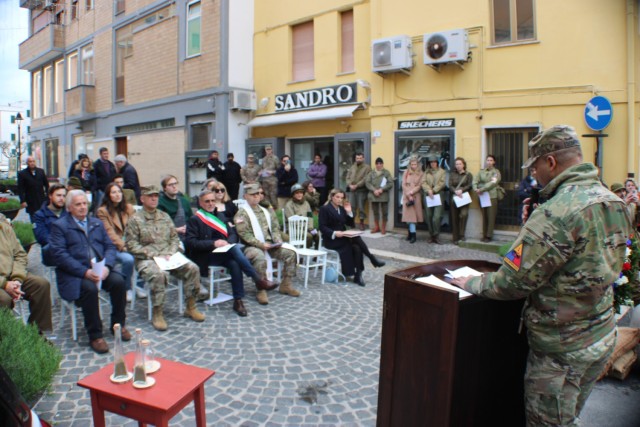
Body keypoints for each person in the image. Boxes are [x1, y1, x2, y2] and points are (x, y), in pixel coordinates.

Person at [453, 125, 633, 426]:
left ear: (550, 162)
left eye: (534, 166)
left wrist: (471, 282)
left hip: (561, 352)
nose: (533, 174)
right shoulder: (613, 200)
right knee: (570, 415)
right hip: (601, 335)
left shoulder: (555, 213)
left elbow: (512, 281)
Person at [49, 190, 129, 354]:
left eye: (85, 203)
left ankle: (118, 325)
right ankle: (95, 335)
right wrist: (84, 272)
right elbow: (60, 256)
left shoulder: (96, 223)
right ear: (69, 207)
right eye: (78, 204)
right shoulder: (60, 226)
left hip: (100, 269)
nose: (82, 207)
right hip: (76, 274)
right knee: (89, 289)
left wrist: (107, 266)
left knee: (119, 282)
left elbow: (110, 247)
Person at [185, 189, 277, 317]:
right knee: (234, 250)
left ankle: (238, 301)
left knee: (234, 263)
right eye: (207, 201)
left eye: (213, 200)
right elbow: (190, 243)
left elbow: (233, 233)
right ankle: (258, 279)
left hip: (224, 252)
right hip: (206, 256)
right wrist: (213, 243)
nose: (211, 203)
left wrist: (228, 243)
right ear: (200, 203)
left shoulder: (221, 216)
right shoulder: (195, 219)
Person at [125, 185, 205, 331]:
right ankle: (158, 312)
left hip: (168, 257)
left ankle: (191, 306)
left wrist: (171, 252)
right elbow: (131, 245)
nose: (154, 198)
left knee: (193, 268)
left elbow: (174, 238)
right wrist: (153, 254)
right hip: (146, 259)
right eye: (150, 196)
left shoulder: (164, 216)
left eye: (156, 195)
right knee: (159, 274)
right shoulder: (135, 219)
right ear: (142, 199)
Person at [234, 183, 300, 304]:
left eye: (259, 194)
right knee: (259, 257)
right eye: (253, 194)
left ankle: (286, 285)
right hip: (250, 247)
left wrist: (277, 240)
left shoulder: (266, 211)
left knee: (291, 253)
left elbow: (275, 228)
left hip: (270, 245)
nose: (257, 196)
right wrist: (260, 244)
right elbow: (244, 234)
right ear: (245, 196)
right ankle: (261, 288)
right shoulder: (241, 214)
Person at [319, 188, 385, 287]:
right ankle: (371, 259)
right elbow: (322, 226)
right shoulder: (325, 209)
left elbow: (350, 224)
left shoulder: (341, 209)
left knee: (357, 247)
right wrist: (334, 233)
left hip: (342, 237)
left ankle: (358, 275)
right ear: (332, 197)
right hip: (331, 239)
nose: (340, 200)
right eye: (337, 197)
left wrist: (349, 212)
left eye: (342, 198)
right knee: (355, 241)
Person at [0, 213, 52, 334]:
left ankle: (36, 335)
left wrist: (17, 279)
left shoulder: (4, 228)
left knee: (41, 285)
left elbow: (20, 254)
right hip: (1, 282)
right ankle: (7, 338)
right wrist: (4, 284)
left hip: (12, 275)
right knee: (4, 299)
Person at [96, 182, 139, 302]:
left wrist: (135, 243)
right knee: (128, 259)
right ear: (108, 195)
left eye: (119, 191)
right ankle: (126, 288)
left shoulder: (128, 208)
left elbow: (136, 226)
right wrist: (124, 246)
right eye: (113, 192)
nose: (117, 195)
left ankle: (139, 286)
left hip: (130, 242)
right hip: (113, 246)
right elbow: (109, 233)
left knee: (146, 253)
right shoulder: (102, 211)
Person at [33, 183, 67, 266]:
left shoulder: (69, 213)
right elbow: (42, 237)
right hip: (53, 254)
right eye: (58, 195)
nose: (62, 198)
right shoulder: (39, 215)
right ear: (50, 196)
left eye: (64, 196)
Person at [473, 154, 501, 242]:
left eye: (491, 160)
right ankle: (484, 234)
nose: (489, 162)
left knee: (491, 216)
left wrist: (482, 189)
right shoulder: (481, 172)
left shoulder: (496, 172)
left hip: (492, 196)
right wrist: (475, 189)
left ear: (494, 162)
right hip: (482, 196)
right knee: (484, 216)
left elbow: (493, 183)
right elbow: (475, 180)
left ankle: (489, 236)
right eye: (488, 160)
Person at [158, 174, 194, 244]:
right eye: (170, 185)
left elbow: (192, 220)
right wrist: (176, 230)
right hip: (169, 239)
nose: (174, 186)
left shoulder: (184, 201)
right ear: (164, 188)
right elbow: (159, 227)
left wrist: (189, 228)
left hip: (187, 236)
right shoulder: (160, 202)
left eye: (175, 183)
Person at [284, 183, 318, 249]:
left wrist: (310, 227)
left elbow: (310, 216)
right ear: (293, 194)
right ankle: (304, 254)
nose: (299, 194)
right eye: (297, 193)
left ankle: (315, 255)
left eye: (301, 193)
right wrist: (305, 229)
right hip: (294, 229)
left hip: (307, 228)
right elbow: (292, 220)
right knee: (309, 236)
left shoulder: (306, 203)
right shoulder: (289, 205)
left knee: (317, 235)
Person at [365, 157, 394, 235]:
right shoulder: (371, 173)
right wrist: (374, 190)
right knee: (375, 212)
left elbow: (390, 183)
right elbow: (367, 183)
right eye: (377, 164)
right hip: (374, 195)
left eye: (380, 163)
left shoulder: (386, 173)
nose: (379, 165)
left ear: (382, 164)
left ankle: (383, 228)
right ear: (375, 164)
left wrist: (382, 189)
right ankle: (377, 227)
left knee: (385, 212)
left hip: (383, 195)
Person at [421, 156, 446, 244]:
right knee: (429, 216)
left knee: (437, 217)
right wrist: (429, 190)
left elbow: (442, 183)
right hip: (428, 195)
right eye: (431, 162)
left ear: (437, 162)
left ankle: (436, 235)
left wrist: (434, 190)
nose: (433, 163)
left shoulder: (442, 171)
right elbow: (423, 182)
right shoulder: (426, 172)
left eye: (434, 162)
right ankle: (431, 235)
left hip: (438, 195)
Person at [449, 157, 473, 244]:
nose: (458, 166)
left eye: (460, 164)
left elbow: (470, 185)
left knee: (464, 214)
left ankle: (462, 234)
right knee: (454, 218)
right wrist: (455, 191)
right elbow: (450, 185)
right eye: (456, 164)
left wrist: (462, 190)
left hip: (464, 198)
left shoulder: (468, 174)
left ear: (463, 165)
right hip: (455, 198)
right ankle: (455, 237)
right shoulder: (452, 174)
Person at [17, 156, 49, 221]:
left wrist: (47, 196)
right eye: (30, 161)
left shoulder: (41, 171)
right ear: (27, 163)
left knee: (43, 217)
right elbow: (20, 189)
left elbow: (46, 185)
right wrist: (22, 201)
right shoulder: (22, 174)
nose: (32, 163)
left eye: (33, 161)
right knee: (34, 218)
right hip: (30, 201)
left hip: (41, 199)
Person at [345, 152, 371, 230]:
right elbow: (347, 177)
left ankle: (361, 223)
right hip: (352, 190)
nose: (358, 160)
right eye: (357, 158)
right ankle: (352, 222)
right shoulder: (352, 167)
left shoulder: (367, 167)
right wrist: (350, 185)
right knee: (352, 207)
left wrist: (357, 185)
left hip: (361, 190)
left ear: (363, 158)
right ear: (355, 159)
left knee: (361, 207)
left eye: (360, 158)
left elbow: (366, 178)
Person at [401, 157, 424, 244]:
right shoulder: (406, 172)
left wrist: (412, 192)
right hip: (407, 197)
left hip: (415, 197)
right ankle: (410, 234)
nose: (413, 166)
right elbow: (403, 184)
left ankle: (413, 235)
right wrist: (408, 194)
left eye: (415, 164)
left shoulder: (421, 173)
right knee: (409, 218)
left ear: (417, 165)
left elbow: (419, 185)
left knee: (413, 219)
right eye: (412, 164)